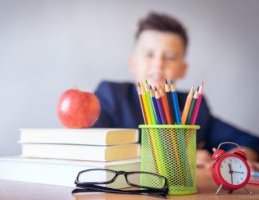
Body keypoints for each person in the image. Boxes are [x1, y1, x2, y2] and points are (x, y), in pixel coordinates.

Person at [93, 12, 259, 170]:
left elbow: (250, 142)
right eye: (149, 54)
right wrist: (180, 156)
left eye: (170, 57)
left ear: (183, 69)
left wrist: (237, 158)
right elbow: (92, 147)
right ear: (133, 63)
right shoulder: (111, 95)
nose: (158, 63)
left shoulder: (194, 106)